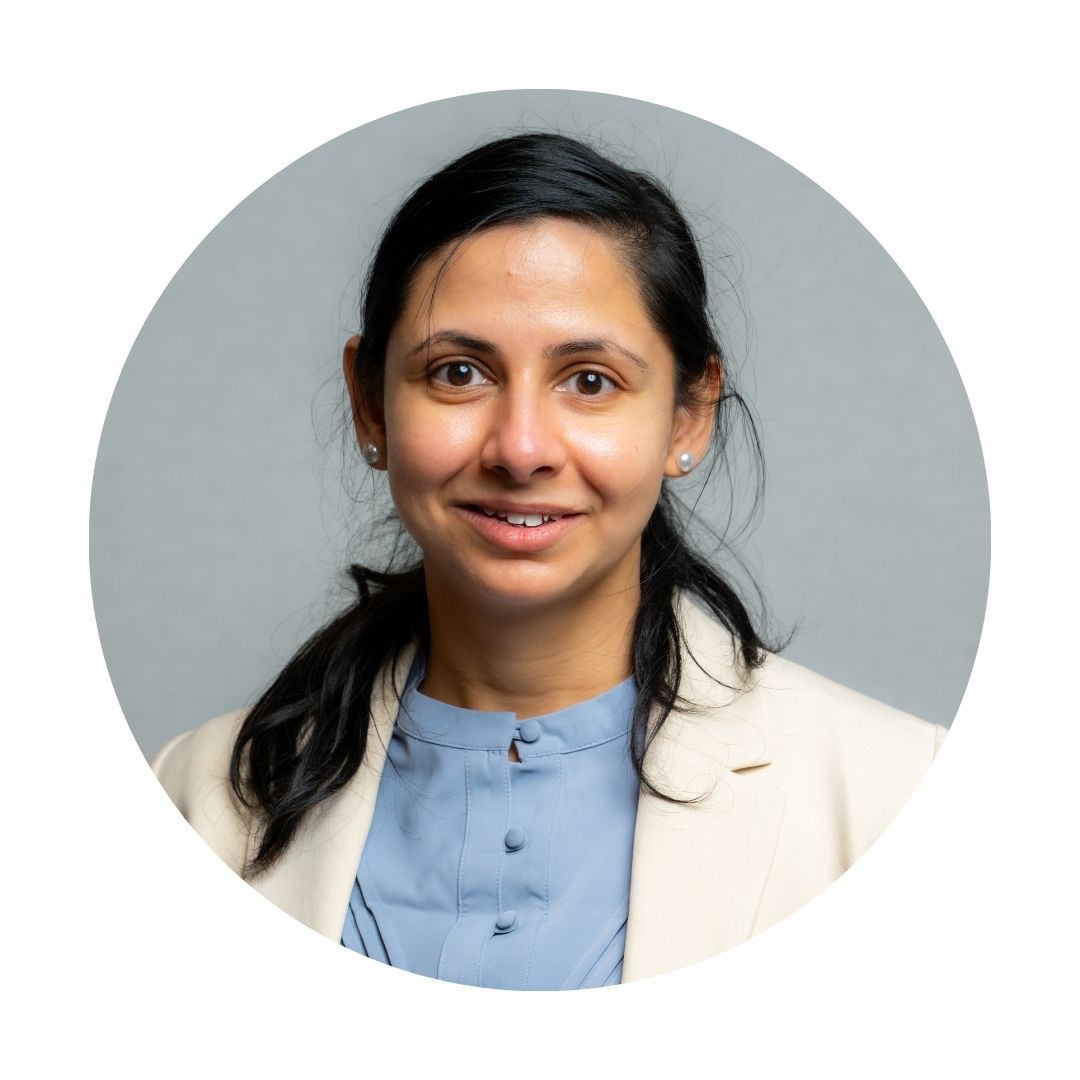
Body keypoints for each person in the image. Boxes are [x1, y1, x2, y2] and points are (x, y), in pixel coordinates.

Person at [151, 131, 946, 990]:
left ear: (688, 415)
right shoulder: (194, 796)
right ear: (370, 404)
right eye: (458, 373)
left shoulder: (899, 797)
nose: (521, 448)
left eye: (591, 380)